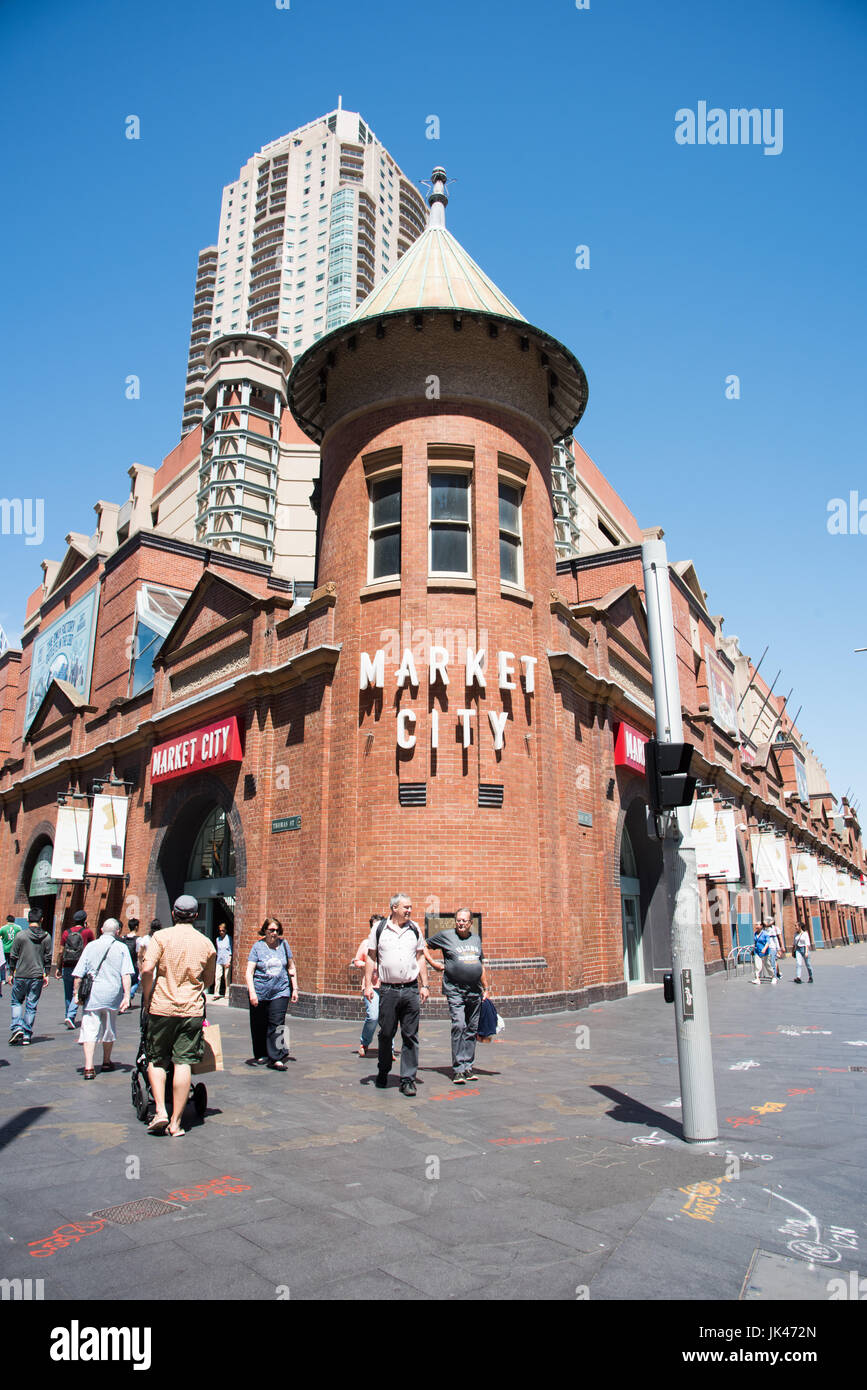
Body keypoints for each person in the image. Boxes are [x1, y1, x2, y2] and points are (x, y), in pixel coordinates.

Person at [140, 895, 215, 1137]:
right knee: (183, 1062)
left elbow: (147, 969)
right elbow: (209, 981)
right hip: (191, 1010)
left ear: (173, 914)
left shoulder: (160, 937)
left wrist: (147, 995)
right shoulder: (206, 944)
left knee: (157, 1059)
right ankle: (176, 1123)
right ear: (196, 915)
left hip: (161, 1007)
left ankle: (160, 1110)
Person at [364, 893, 429, 1097]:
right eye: (405, 907)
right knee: (386, 1033)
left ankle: (408, 1079)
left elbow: (420, 958)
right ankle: (383, 1071)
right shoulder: (379, 929)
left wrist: (425, 985)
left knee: (410, 1035)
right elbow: (371, 958)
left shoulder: (414, 929)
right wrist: (368, 985)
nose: (409, 910)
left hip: (410, 989)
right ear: (394, 908)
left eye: (410, 907)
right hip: (389, 990)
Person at [425, 907, 490, 1084]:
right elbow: (423, 945)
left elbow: (479, 964)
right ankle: (458, 1068)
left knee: (471, 1028)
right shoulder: (446, 936)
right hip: (455, 990)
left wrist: (486, 987)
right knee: (459, 1025)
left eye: (464, 921)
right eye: (458, 920)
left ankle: (468, 1067)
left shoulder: (476, 939)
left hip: (474, 991)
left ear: (470, 923)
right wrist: (434, 964)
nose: (461, 923)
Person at [71, 918, 132, 1078]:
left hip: (93, 993)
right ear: (117, 932)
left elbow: (78, 974)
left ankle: (89, 1066)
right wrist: (127, 996)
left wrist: (76, 993)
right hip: (112, 994)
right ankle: (106, 1060)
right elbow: (126, 974)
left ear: (101, 930)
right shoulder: (121, 947)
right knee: (109, 1027)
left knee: (90, 1027)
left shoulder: (91, 946)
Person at [245, 918, 298, 1070]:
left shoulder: (284, 945)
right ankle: (262, 1053)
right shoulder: (257, 947)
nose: (274, 933)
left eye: (277, 930)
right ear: (265, 931)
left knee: (277, 1022)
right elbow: (249, 972)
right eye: (271, 930)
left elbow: (291, 967)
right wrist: (252, 993)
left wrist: (295, 988)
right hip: (260, 991)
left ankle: (277, 1057)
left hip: (281, 990)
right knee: (259, 1024)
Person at [8, 908, 52, 1044]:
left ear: (28, 920)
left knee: (16, 1001)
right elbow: (48, 957)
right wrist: (47, 974)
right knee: (31, 1005)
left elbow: (13, 956)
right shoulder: (47, 936)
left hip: (21, 974)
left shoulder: (21, 935)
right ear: (41, 920)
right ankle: (27, 1035)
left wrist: (11, 973)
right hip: (37, 975)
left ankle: (17, 1028)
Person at [55, 909, 95, 1029]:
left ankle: (68, 1014)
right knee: (77, 991)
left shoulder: (66, 932)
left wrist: (58, 967)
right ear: (84, 920)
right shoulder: (87, 932)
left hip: (67, 965)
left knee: (68, 993)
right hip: (81, 966)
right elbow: (91, 949)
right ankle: (71, 1016)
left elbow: (61, 951)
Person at [0, 914, 23, 997]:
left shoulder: (3, 928)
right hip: (14, 949)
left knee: (3, 964)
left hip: (5, 949)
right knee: (13, 963)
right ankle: (12, 976)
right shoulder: (18, 928)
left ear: (7, 920)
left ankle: (3, 979)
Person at [121, 918, 141, 1002]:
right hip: (134, 963)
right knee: (137, 981)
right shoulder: (138, 939)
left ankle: (126, 996)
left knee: (126, 981)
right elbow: (139, 953)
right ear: (136, 927)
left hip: (124, 964)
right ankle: (130, 994)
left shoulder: (123, 938)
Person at [212, 923, 232, 1000]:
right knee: (217, 976)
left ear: (225, 931)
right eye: (220, 931)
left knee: (226, 977)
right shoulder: (218, 939)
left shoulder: (228, 938)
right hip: (219, 960)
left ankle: (227, 993)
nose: (221, 932)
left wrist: (229, 961)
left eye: (223, 931)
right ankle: (216, 993)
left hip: (226, 960)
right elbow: (218, 950)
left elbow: (230, 951)